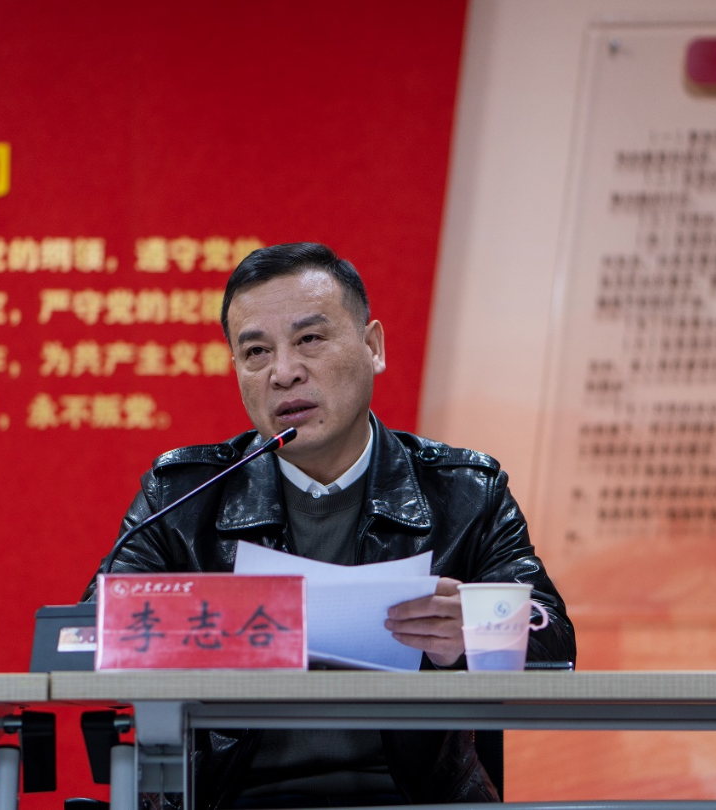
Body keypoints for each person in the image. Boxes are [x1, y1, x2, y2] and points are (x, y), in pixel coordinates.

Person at [83, 242, 575, 809]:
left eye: (310, 339)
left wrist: (481, 628)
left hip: (413, 803)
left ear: (373, 347)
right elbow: (87, 637)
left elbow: (553, 640)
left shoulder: (465, 493)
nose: (284, 373)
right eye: (256, 352)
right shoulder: (181, 497)